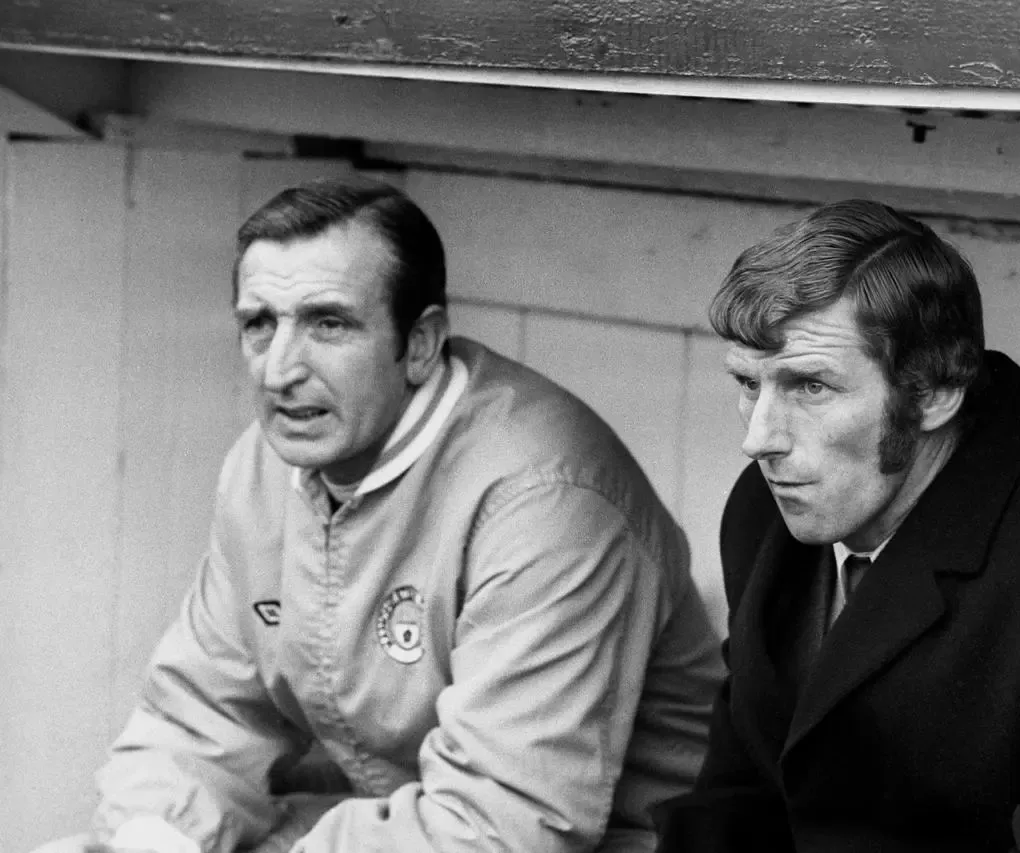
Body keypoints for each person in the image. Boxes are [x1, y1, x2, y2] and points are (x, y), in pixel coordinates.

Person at [39, 178, 723, 853]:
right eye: (258, 324)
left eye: (328, 323)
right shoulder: (267, 465)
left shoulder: (544, 499)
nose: (279, 370)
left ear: (420, 343)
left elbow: (504, 824)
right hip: (395, 819)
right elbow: (203, 716)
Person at [654, 200, 1020, 852]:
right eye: (747, 382)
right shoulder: (764, 510)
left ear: (933, 390)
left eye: (810, 387)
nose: (758, 438)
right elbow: (734, 798)